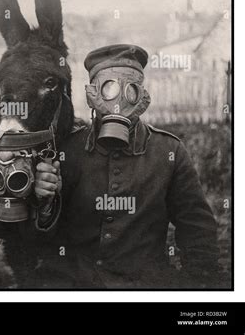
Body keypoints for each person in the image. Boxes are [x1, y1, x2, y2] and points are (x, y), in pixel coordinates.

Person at [34, 44, 220, 288]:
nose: (119, 101)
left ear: (143, 97)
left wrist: (196, 287)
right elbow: (41, 238)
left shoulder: (169, 152)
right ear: (92, 95)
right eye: (108, 88)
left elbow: (197, 231)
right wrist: (45, 205)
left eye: (130, 90)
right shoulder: (66, 150)